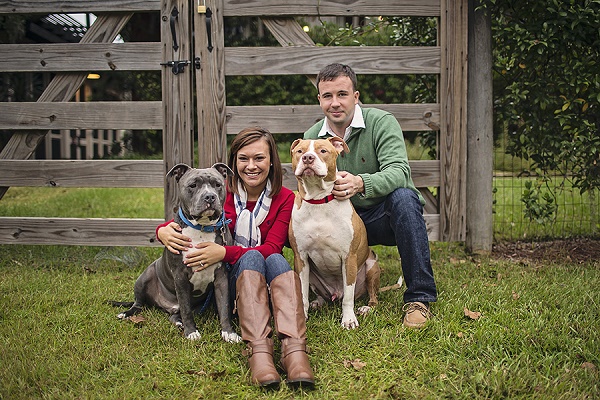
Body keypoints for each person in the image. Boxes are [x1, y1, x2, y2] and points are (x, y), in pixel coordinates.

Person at [156, 127, 314, 389]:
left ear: (271, 161)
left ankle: (295, 351)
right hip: (230, 284)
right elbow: (186, 217)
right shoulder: (220, 192)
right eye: (243, 159)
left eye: (259, 158)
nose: (251, 166)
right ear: (233, 163)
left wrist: (223, 252)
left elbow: (272, 247)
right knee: (252, 258)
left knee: (275, 259)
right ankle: (259, 351)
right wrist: (161, 230)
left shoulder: (285, 198)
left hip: (266, 280)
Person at [303, 63, 437, 328]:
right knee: (295, 218)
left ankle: (419, 298)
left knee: (404, 199)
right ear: (319, 100)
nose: (335, 103)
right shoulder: (312, 137)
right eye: (327, 96)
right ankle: (307, 290)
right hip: (335, 222)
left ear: (356, 96)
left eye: (342, 94)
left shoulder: (381, 122)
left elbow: (399, 171)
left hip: (378, 217)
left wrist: (360, 182)